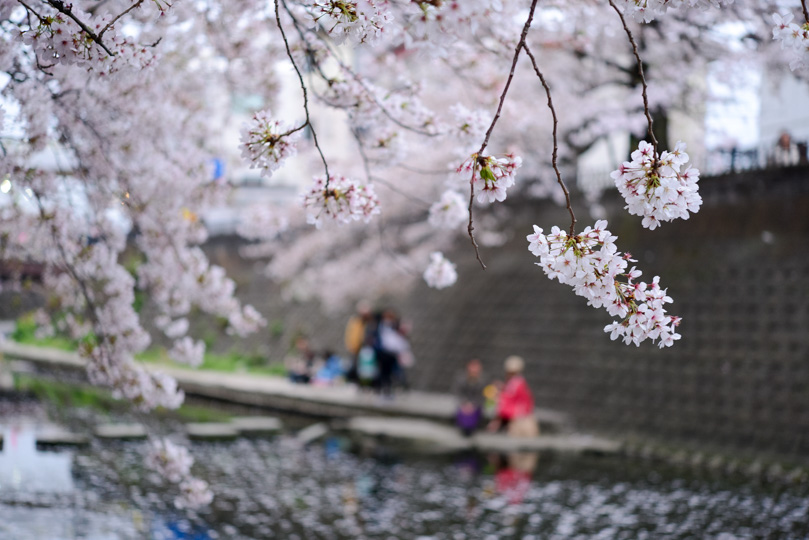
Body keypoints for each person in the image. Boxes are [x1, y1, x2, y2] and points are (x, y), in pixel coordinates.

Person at [488, 355, 539, 437]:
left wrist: (496, 420)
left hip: (520, 423)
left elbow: (505, 407)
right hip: (525, 419)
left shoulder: (514, 384)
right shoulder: (520, 382)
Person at [452, 359, 486, 436]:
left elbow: (482, 396)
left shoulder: (483, 381)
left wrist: (473, 405)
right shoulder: (461, 378)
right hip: (464, 404)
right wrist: (465, 403)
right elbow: (458, 393)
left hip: (476, 405)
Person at [344, 300, 372, 383]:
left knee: (366, 368)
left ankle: (366, 383)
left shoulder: (370, 322)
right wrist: (351, 345)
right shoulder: (355, 321)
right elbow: (350, 335)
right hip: (355, 348)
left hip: (366, 348)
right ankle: (355, 382)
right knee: (354, 366)